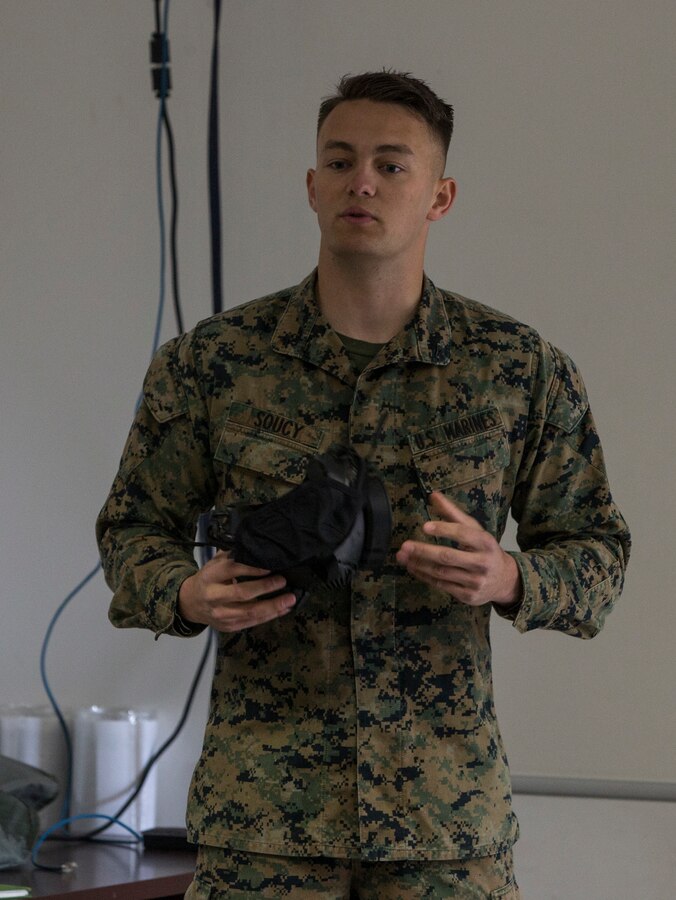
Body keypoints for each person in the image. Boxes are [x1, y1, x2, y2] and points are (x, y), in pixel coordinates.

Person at [96, 71, 630, 899]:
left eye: (392, 163)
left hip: (443, 827)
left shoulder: (516, 369)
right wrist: (185, 594)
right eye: (340, 162)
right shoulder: (215, 363)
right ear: (313, 186)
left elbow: (598, 551)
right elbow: (131, 532)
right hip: (265, 820)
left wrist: (513, 576)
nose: (363, 181)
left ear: (440, 197)